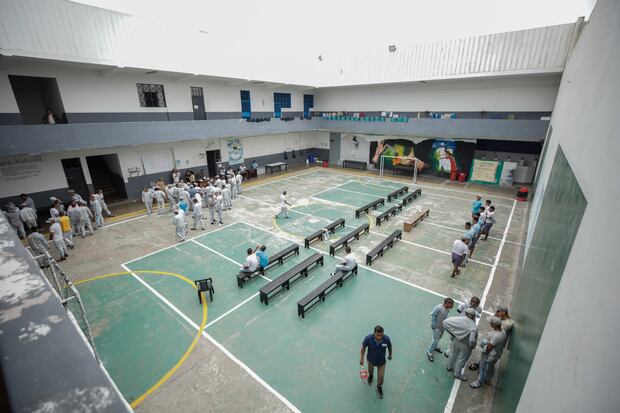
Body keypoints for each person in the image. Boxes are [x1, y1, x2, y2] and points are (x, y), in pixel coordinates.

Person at [469, 305, 513, 372]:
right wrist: (495, 315)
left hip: (497, 343)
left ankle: (485, 372)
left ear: (503, 312)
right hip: (493, 339)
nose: (497, 312)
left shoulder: (507, 323)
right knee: (485, 354)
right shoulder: (501, 318)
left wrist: (495, 317)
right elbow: (491, 320)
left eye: (498, 311)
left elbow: (498, 329)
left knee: (490, 359)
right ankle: (479, 364)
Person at [470, 317, 506, 388]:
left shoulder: (496, 336)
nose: (490, 323)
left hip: (489, 355)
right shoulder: (503, 332)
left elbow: (489, 348)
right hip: (496, 354)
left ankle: (479, 382)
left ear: (495, 324)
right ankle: (487, 379)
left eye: (491, 323)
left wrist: (484, 347)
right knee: (490, 367)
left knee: (483, 368)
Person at [443, 308, 478, 381]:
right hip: (466, 345)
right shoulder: (473, 326)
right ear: (473, 316)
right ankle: (457, 374)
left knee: (453, 353)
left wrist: (453, 334)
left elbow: (445, 322)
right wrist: (471, 346)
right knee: (462, 359)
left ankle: (449, 366)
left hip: (456, 340)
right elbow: (472, 340)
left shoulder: (458, 319)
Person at [360, 325, 392, 399]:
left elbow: (389, 346)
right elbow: (363, 347)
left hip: (381, 362)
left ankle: (379, 386)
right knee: (370, 371)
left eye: (381, 335)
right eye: (377, 335)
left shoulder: (386, 339)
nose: (379, 337)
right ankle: (371, 376)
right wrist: (362, 358)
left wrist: (390, 355)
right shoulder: (368, 338)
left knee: (381, 378)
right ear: (374, 333)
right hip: (371, 360)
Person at [427, 297, 454, 362]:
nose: (452, 306)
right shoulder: (439, 308)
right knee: (435, 340)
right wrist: (433, 324)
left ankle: (435, 347)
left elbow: (445, 317)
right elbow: (433, 315)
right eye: (451, 304)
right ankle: (429, 352)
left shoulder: (447, 310)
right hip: (436, 327)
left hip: (442, 327)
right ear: (447, 303)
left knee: (439, 338)